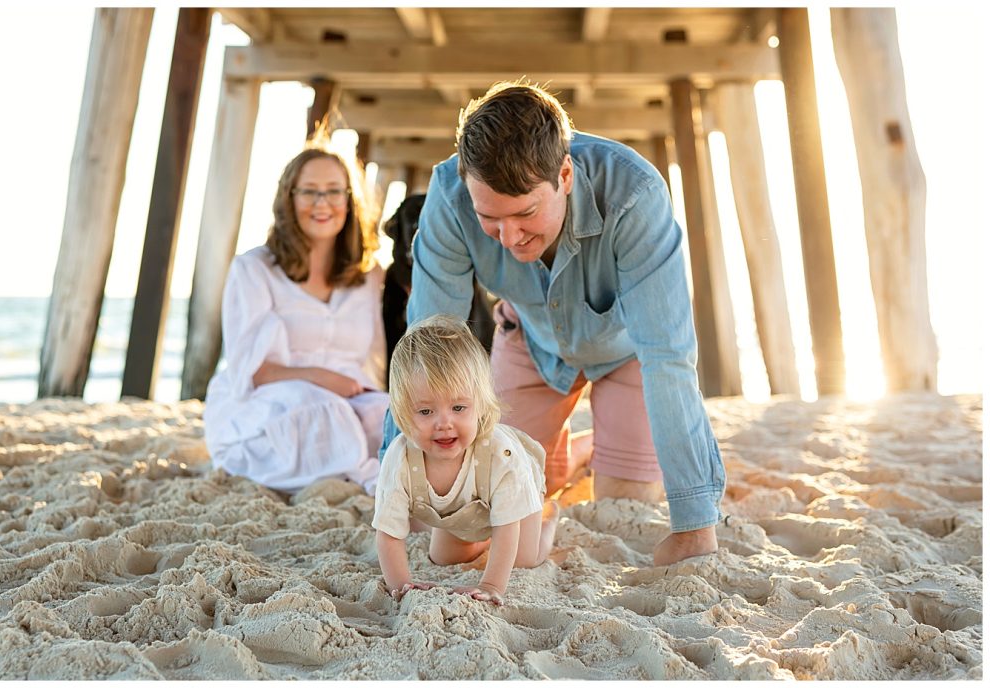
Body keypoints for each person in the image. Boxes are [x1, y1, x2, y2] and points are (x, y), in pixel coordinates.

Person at [381, 81, 726, 566]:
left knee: (622, 502)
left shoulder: (636, 194)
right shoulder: (448, 196)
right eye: (490, 219)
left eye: (525, 214)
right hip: (530, 343)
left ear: (564, 174)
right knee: (470, 519)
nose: (510, 237)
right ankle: (564, 454)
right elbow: (425, 349)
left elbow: (667, 357)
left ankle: (591, 451)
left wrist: (694, 523)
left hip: (624, 353)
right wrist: (396, 490)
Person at [203, 136, 388, 495]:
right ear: (289, 198)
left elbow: (373, 362)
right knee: (320, 409)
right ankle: (372, 481)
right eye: (309, 192)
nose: (323, 203)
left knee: (392, 416)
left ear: (349, 201)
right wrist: (319, 377)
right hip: (267, 405)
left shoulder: (367, 276)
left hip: (347, 401)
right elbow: (250, 370)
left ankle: (366, 471)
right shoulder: (253, 270)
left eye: (334, 191)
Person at [373, 315, 559, 606]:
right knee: (443, 558)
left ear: (480, 405)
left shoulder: (501, 455)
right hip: (462, 514)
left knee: (523, 558)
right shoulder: (400, 460)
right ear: (402, 414)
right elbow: (388, 535)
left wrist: (490, 584)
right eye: (425, 412)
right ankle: (482, 538)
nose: (444, 423)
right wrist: (402, 585)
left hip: (514, 503)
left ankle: (547, 522)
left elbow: (508, 526)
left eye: (459, 407)